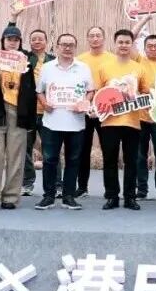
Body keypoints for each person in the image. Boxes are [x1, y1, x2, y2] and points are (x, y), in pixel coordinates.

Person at [34, 33, 93, 211]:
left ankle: (68, 196)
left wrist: (85, 102)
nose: (67, 48)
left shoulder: (83, 68)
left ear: (75, 47)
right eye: (64, 44)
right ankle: (48, 196)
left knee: (73, 160)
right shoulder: (47, 68)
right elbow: (39, 91)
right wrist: (44, 103)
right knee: (50, 160)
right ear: (57, 47)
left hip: (76, 122)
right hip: (52, 122)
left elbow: (90, 91)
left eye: (71, 45)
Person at [0, 26, 36, 210]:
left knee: (16, 157)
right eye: (9, 39)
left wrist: (30, 121)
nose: (12, 42)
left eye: (16, 39)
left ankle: (11, 197)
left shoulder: (26, 63)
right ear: (3, 41)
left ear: (20, 42)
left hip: (18, 113)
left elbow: (30, 93)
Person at [96, 29, 151, 211]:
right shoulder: (104, 67)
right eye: (120, 42)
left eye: (127, 42)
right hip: (109, 122)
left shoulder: (139, 68)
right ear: (115, 43)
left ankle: (130, 197)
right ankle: (111, 196)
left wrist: (137, 97)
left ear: (132, 44)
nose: (124, 45)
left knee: (131, 161)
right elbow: (98, 94)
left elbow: (146, 93)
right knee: (110, 160)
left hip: (133, 122)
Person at [77, 26, 115, 198]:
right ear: (87, 38)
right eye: (91, 35)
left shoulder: (112, 59)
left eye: (98, 35)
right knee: (82, 149)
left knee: (109, 150)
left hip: (106, 110)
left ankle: (110, 189)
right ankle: (82, 187)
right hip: (84, 109)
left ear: (103, 38)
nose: (95, 38)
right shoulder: (80, 60)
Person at [22, 29, 54, 197]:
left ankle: (56, 184)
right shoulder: (24, 58)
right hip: (28, 112)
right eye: (33, 39)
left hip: (49, 111)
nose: (37, 41)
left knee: (51, 149)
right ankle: (27, 183)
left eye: (40, 39)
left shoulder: (54, 60)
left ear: (46, 41)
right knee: (24, 148)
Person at [135, 34, 156, 200]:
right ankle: (141, 189)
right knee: (140, 155)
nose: (153, 48)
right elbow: (131, 37)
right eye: (150, 46)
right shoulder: (139, 61)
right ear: (145, 48)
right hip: (140, 116)